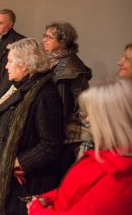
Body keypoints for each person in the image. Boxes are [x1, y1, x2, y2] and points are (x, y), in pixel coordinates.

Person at [0, 38, 64, 215]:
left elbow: (52, 144)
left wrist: (19, 162)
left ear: (26, 65)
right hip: (4, 177)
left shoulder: (45, 94)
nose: (6, 66)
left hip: (21, 183)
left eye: (10, 61)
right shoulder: (15, 85)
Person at [28, 78, 132, 214]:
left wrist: (36, 210)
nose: (88, 119)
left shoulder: (120, 175)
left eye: (93, 113)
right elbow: (76, 190)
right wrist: (48, 198)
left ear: (112, 120)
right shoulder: (110, 156)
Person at [42, 22, 93, 175]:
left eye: (49, 37)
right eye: (44, 36)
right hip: (47, 119)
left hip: (62, 125)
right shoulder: (48, 61)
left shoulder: (74, 69)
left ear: (62, 42)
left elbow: (82, 103)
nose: (44, 40)